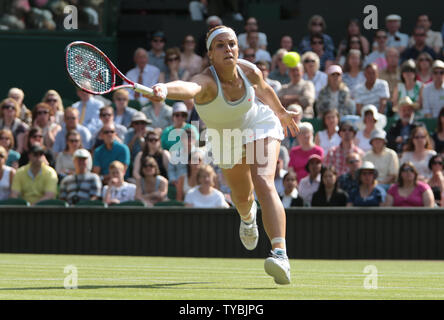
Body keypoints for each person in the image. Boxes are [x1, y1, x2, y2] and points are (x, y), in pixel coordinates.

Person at [144, 25, 300, 285]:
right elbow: (188, 87)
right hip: (225, 137)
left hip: (258, 123)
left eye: (232, 44)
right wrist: (165, 89)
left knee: (263, 180)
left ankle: (280, 254)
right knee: (241, 198)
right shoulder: (205, 81)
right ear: (210, 55)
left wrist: (281, 112)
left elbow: (263, 90)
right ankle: (248, 217)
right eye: (221, 46)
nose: (228, 49)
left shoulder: (248, 70)